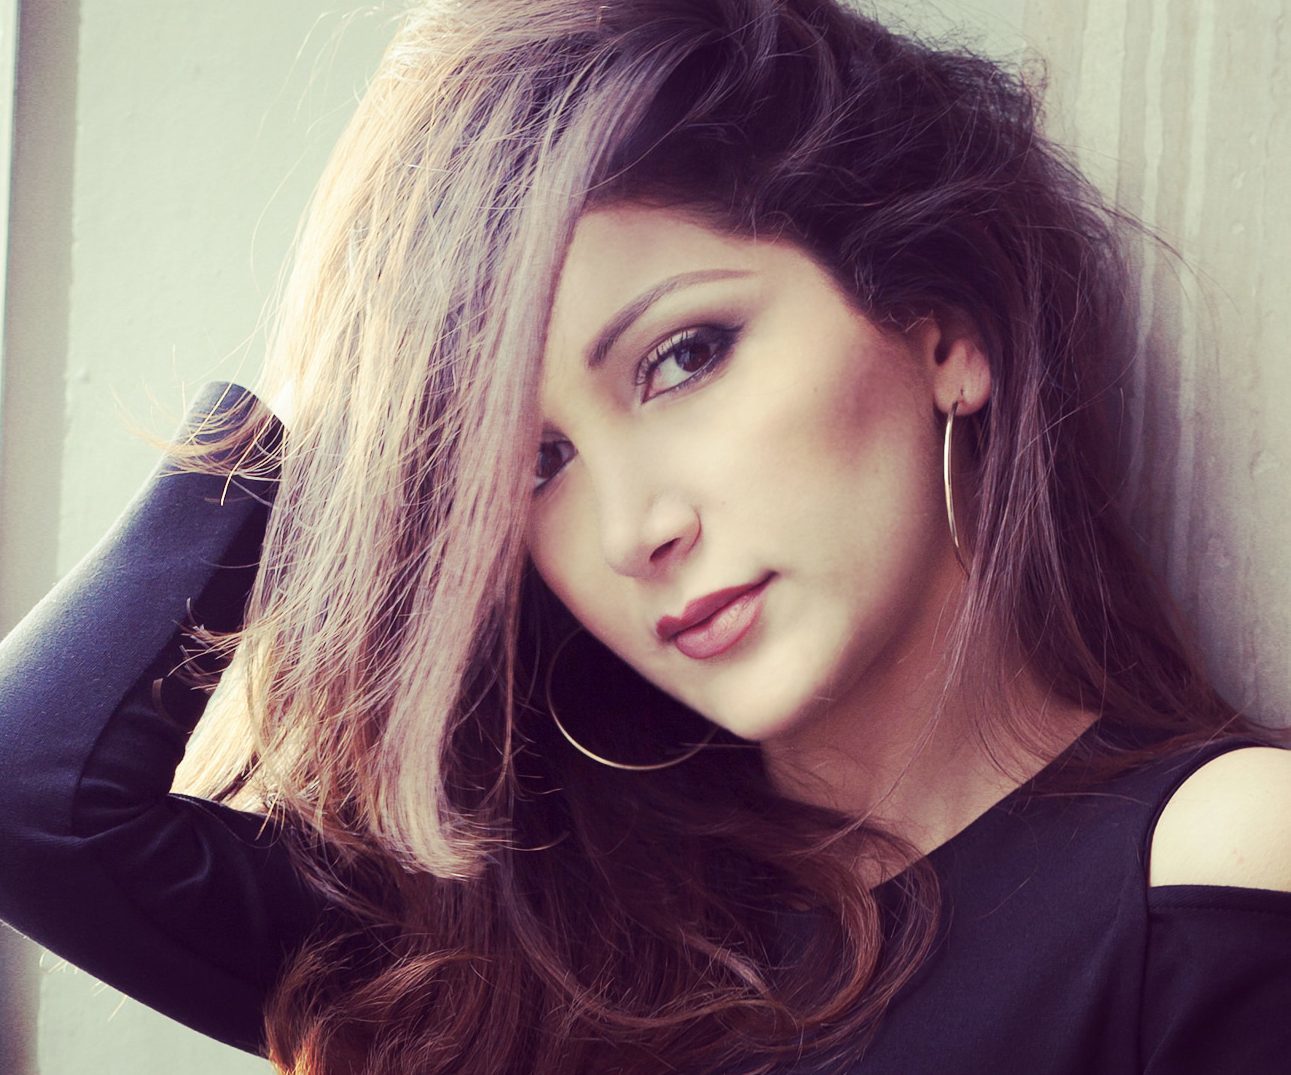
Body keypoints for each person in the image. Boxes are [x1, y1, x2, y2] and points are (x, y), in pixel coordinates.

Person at [1, 0, 1289, 1072]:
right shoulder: (518, 949)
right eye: (535, 463)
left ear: (943, 331)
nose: (632, 532)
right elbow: (35, 796)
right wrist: (352, 400)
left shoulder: (1205, 874)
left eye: (684, 358)